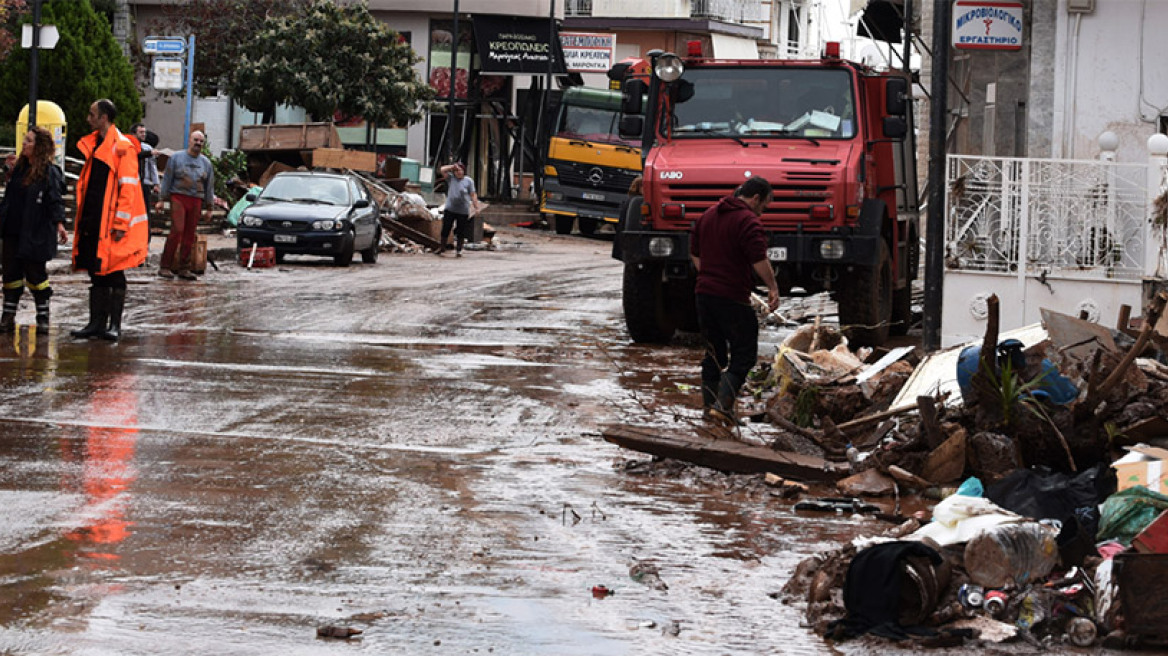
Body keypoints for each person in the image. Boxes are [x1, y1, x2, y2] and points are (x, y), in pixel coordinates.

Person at [689, 175, 780, 426]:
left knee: (713, 353)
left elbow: (694, 252)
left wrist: (708, 274)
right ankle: (723, 406)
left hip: (704, 294)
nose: (762, 214)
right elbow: (758, 260)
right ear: (755, 198)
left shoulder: (708, 215)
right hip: (732, 297)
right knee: (744, 354)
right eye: (764, 207)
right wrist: (772, 287)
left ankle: (709, 409)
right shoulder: (747, 221)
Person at [70, 99, 150, 342]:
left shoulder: (122, 147)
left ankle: (113, 325)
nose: (88, 119)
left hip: (112, 223)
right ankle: (96, 323)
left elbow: (128, 189)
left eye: (92, 114)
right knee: (97, 271)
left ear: (103, 118)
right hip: (95, 218)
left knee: (114, 272)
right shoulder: (96, 143)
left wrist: (120, 224)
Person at [0, 126, 68, 332]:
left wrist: (60, 224)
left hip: (36, 231)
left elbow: (54, 199)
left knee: (36, 275)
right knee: (10, 274)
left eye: (29, 141)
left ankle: (43, 317)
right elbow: (10, 198)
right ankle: (7, 316)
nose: (24, 144)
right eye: (25, 140)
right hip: (13, 229)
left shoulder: (50, 172)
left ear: (39, 147)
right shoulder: (19, 169)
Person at [156, 130, 214, 280]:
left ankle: (184, 268)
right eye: (196, 140)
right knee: (177, 230)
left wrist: (209, 208)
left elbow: (209, 187)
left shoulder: (206, 163)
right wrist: (162, 199)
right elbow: (167, 179)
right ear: (189, 140)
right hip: (178, 198)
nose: (198, 144)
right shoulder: (176, 158)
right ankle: (165, 266)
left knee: (189, 233)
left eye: (201, 141)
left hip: (196, 200)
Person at [436, 162, 480, 257]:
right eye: (456, 171)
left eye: (460, 170)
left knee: (461, 231)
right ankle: (442, 247)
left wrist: (476, 206)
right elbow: (442, 170)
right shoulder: (451, 179)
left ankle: (459, 249)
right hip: (450, 208)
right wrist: (452, 166)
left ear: (464, 171)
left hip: (463, 210)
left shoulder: (469, 181)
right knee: (446, 229)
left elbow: (473, 194)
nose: (458, 172)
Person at [130, 123, 160, 241]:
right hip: (132, 183)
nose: (144, 134)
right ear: (134, 134)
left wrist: (156, 183)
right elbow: (134, 156)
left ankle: (145, 237)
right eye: (141, 132)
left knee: (145, 210)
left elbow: (152, 166)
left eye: (144, 132)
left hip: (145, 183)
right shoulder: (129, 146)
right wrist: (148, 154)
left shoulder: (147, 148)